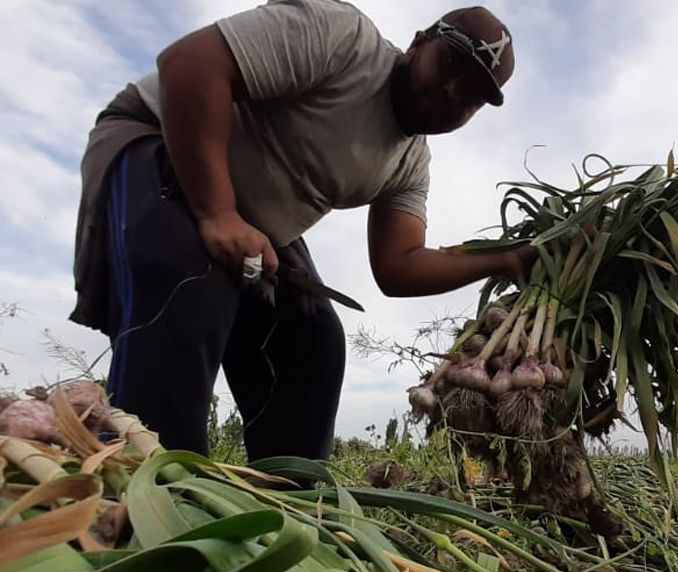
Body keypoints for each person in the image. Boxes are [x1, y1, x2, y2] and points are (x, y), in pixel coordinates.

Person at [69, 1, 536, 462]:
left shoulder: (410, 161)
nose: (454, 91)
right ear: (419, 43)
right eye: (450, 65)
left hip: (250, 221)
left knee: (313, 342)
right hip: (157, 138)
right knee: (191, 282)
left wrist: (508, 257)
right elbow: (190, 64)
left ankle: (287, 501)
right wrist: (218, 213)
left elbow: (399, 264)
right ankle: (147, 485)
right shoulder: (344, 38)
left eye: (473, 94)